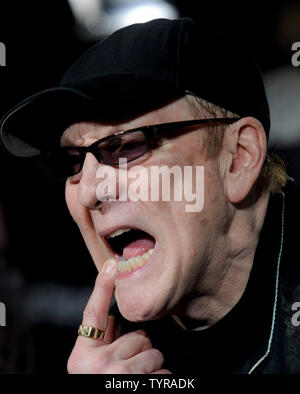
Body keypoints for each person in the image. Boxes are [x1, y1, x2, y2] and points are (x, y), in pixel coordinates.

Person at [0, 18, 299, 374]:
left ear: (238, 158)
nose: (90, 192)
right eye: (71, 162)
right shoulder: (110, 354)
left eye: (127, 145)